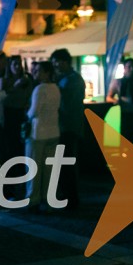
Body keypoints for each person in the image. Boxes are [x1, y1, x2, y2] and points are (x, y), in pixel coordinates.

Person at [51, 48, 85, 209]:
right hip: (65, 126)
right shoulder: (68, 78)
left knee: (67, 162)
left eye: (56, 62)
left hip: (69, 126)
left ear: (64, 62)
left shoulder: (73, 80)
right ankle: (67, 195)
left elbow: (67, 103)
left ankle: (71, 198)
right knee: (64, 162)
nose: (55, 66)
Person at [25, 61, 61, 212]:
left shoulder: (39, 89)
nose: (35, 73)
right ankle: (48, 199)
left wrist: (25, 114)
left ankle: (33, 199)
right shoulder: (56, 88)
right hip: (54, 131)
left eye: (39, 71)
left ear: (47, 72)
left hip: (38, 132)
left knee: (34, 168)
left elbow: (34, 112)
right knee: (49, 169)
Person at [106, 58, 133, 146]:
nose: (131, 69)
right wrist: (116, 101)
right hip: (125, 113)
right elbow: (109, 97)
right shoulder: (118, 82)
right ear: (124, 68)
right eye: (129, 67)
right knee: (125, 137)